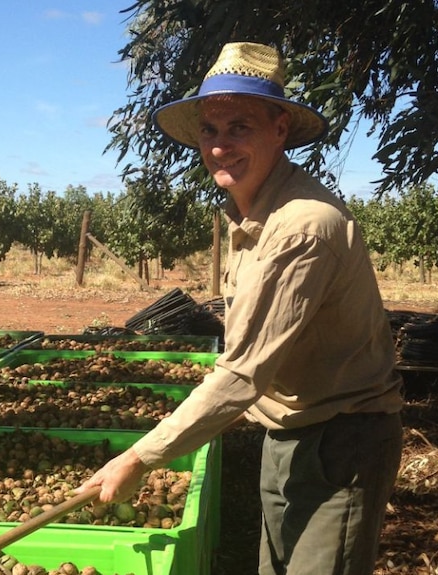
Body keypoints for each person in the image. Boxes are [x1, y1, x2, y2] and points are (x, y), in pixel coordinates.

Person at [76, 42, 404, 575]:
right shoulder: (254, 217)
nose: (220, 146)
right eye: (210, 130)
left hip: (340, 440)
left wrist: (138, 458)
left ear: (280, 128)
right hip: (293, 428)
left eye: (240, 127)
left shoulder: (301, 226)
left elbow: (242, 373)